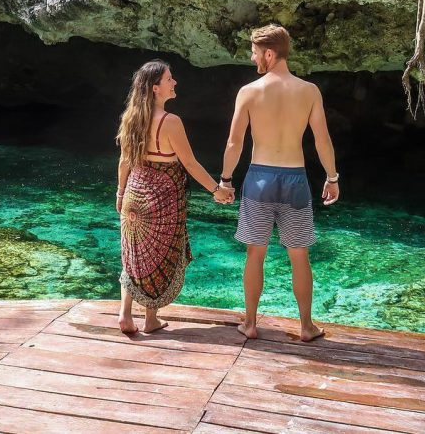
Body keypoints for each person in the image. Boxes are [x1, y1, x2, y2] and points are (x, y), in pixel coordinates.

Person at [219, 25, 339, 342]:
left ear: (269, 54)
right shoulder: (310, 91)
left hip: (259, 178)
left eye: (255, 51)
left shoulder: (249, 92)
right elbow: (322, 140)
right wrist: (332, 177)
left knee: (255, 253)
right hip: (296, 179)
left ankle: (250, 323)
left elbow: (235, 144)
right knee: (299, 255)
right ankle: (306, 326)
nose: (252, 56)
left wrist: (226, 180)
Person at [116, 60, 235, 334]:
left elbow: (124, 161)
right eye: (170, 79)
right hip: (162, 199)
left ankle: (125, 314)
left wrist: (121, 193)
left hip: (134, 194)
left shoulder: (131, 118)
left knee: (133, 255)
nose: (175, 82)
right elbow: (190, 164)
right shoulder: (170, 122)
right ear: (156, 88)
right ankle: (150, 318)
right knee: (157, 258)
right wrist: (217, 191)